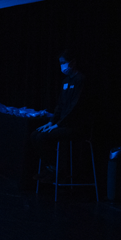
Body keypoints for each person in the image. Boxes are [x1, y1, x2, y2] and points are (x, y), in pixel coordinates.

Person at [30, 50, 87, 181]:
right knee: (35, 135)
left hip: (75, 126)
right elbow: (60, 105)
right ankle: (51, 167)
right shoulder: (66, 81)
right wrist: (51, 122)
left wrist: (58, 124)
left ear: (72, 62)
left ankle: (57, 170)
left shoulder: (80, 80)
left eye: (63, 62)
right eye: (60, 63)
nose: (62, 66)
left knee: (42, 138)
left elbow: (75, 107)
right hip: (62, 123)